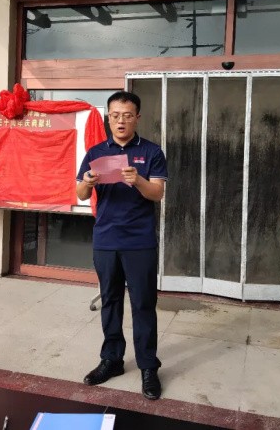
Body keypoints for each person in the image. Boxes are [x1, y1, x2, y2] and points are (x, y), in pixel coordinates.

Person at [76, 91, 168, 401]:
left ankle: (148, 366)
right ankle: (112, 359)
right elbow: (80, 194)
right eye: (115, 115)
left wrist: (138, 180)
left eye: (127, 116)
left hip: (139, 240)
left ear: (137, 118)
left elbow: (157, 193)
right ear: (108, 117)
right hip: (106, 239)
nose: (120, 121)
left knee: (143, 304)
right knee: (111, 301)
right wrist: (88, 182)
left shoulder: (152, 151)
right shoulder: (96, 152)